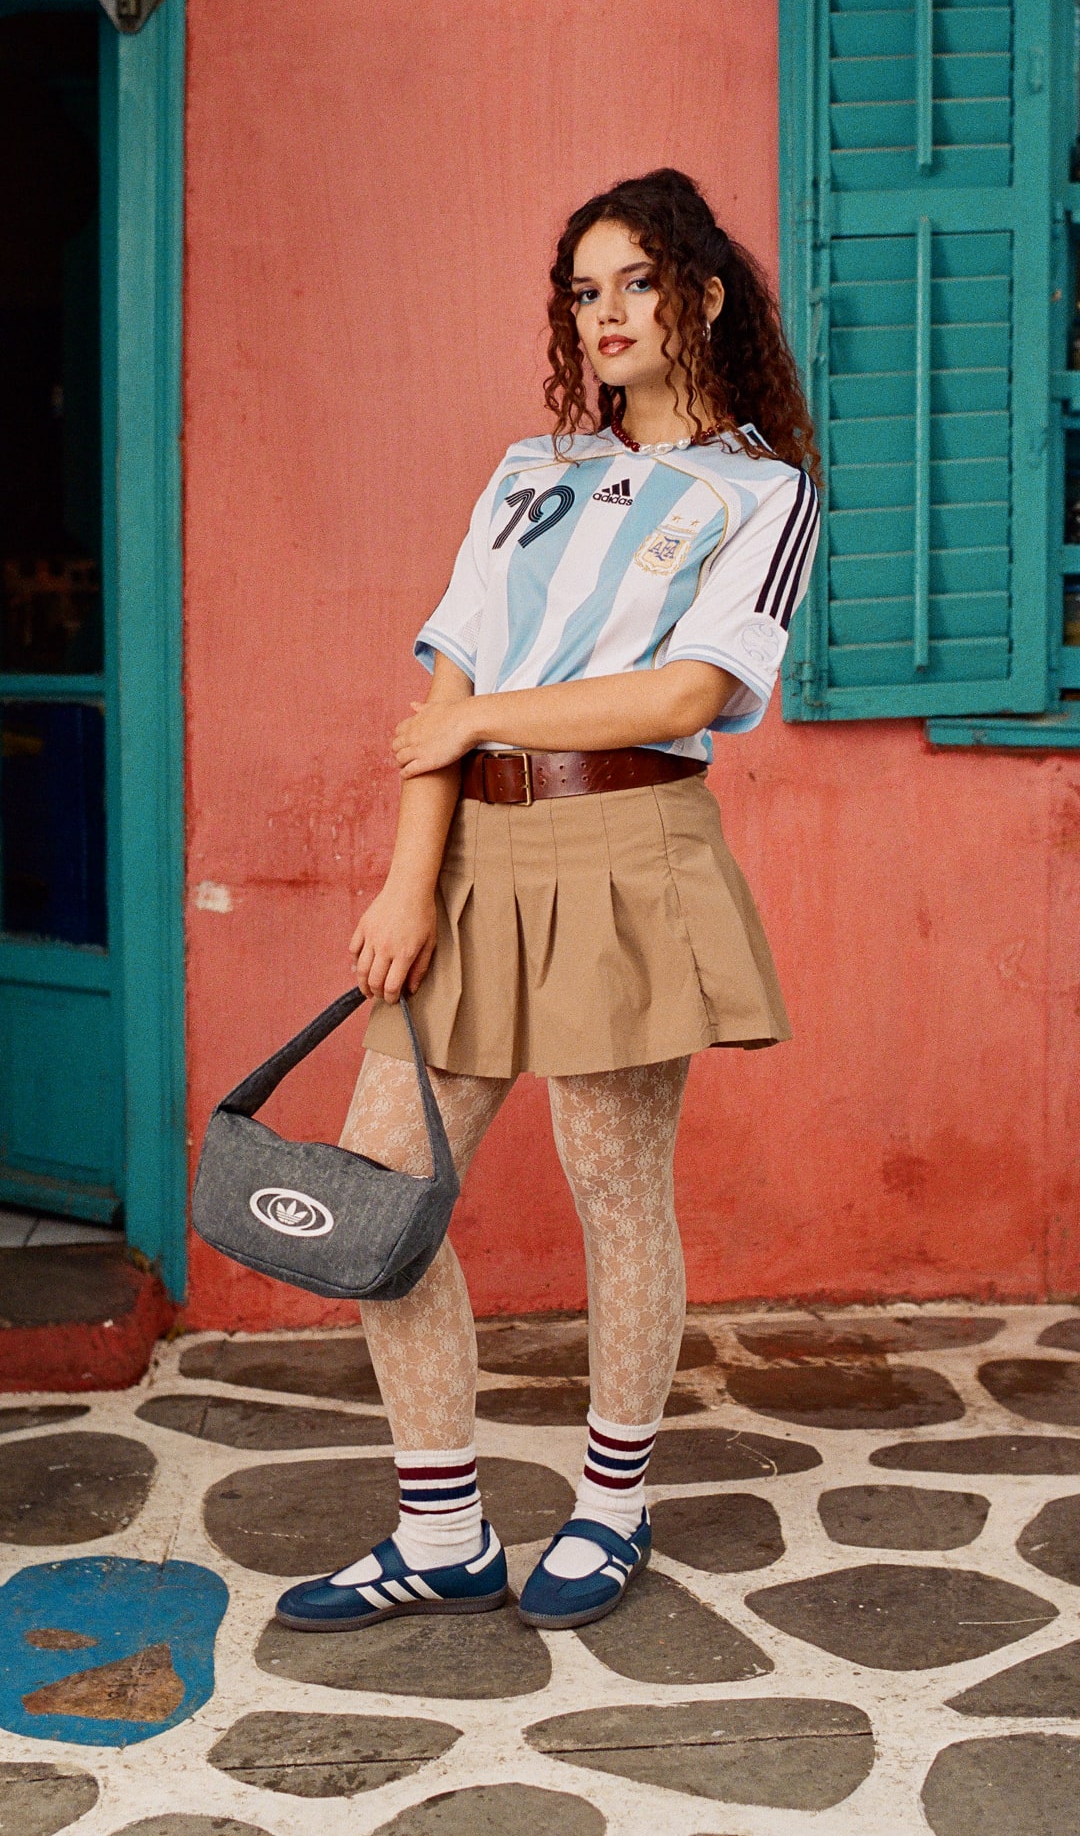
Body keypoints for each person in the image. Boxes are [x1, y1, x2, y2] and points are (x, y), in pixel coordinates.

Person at [275, 167, 820, 1634]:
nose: (606, 314)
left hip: (627, 846)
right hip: (471, 854)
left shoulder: (763, 491)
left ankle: (612, 1506)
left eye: (637, 282)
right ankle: (441, 1529)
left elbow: (693, 691)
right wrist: (409, 881)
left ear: (704, 295)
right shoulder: (529, 470)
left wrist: (479, 722)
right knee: (377, 1202)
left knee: (616, 1189)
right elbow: (444, 694)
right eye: (585, 291)